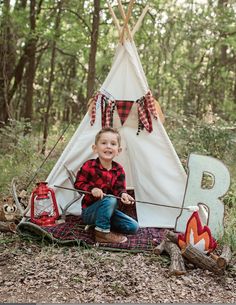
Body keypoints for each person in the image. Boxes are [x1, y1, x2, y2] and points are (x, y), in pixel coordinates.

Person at [74, 127, 139, 243]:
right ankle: (101, 233)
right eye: (104, 143)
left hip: (109, 211)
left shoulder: (119, 170)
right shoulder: (89, 165)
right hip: (90, 212)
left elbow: (119, 189)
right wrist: (91, 189)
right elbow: (78, 184)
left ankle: (100, 225)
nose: (108, 146)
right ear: (95, 148)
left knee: (133, 226)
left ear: (118, 151)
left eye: (113, 144)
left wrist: (124, 194)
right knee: (110, 199)